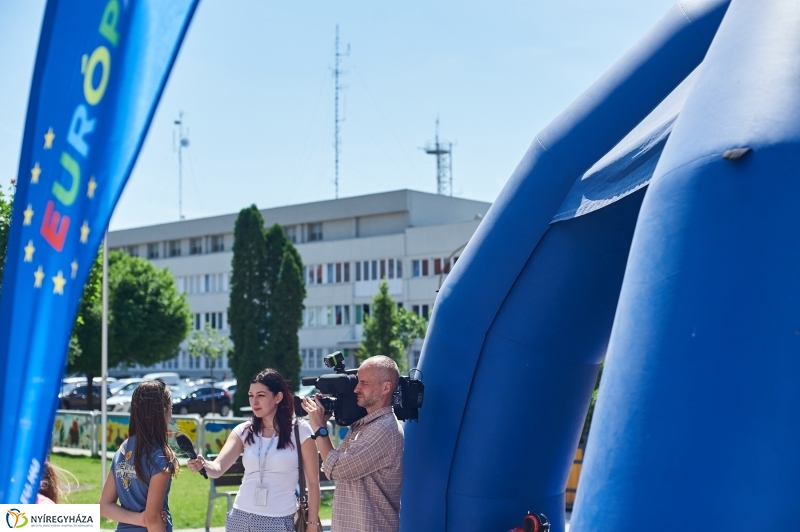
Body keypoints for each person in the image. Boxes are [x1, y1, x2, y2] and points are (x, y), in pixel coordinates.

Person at [187, 368, 321, 532]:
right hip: (240, 518)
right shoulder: (244, 430)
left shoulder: (300, 430)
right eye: (251, 395)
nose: (254, 401)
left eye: (261, 395)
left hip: (278, 521)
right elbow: (217, 469)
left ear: (278, 397)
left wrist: (312, 525)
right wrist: (204, 465)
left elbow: (313, 483)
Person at [302, 355, 404, 532]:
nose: (356, 388)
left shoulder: (384, 428)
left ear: (386, 387)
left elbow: (336, 469)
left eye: (364, 383)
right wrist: (323, 424)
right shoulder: (364, 425)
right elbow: (332, 463)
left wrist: (319, 428)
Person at [100, 380, 178, 532]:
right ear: (163, 410)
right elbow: (153, 518)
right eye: (171, 407)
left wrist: (138, 519)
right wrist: (144, 518)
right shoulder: (160, 457)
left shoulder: (123, 449)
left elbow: (104, 506)